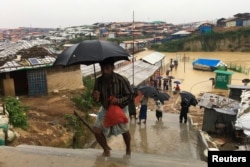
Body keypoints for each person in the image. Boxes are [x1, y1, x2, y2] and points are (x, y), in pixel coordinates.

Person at [92, 58, 134, 157]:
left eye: (107, 68)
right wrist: (95, 96)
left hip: (120, 109)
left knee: (125, 130)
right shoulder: (98, 81)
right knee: (96, 130)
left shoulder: (122, 80)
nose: (104, 71)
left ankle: (128, 148)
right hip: (105, 108)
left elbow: (131, 95)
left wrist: (118, 101)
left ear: (112, 68)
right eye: (102, 68)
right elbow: (95, 99)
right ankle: (106, 149)